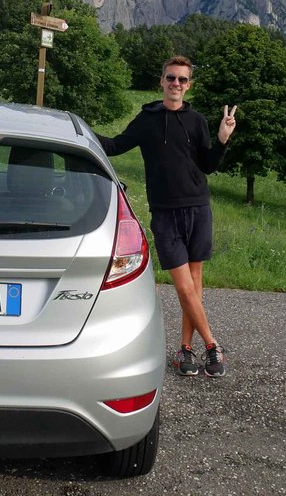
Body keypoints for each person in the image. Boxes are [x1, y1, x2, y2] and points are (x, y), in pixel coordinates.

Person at [96, 56, 236, 377]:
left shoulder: (197, 120)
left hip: (198, 208)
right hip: (165, 213)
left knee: (195, 285)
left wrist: (223, 139)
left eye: (182, 80)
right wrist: (79, 129)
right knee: (184, 287)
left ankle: (186, 351)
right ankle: (212, 346)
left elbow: (209, 164)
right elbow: (116, 145)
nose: (176, 84)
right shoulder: (147, 120)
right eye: (171, 78)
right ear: (161, 81)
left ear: (189, 85)